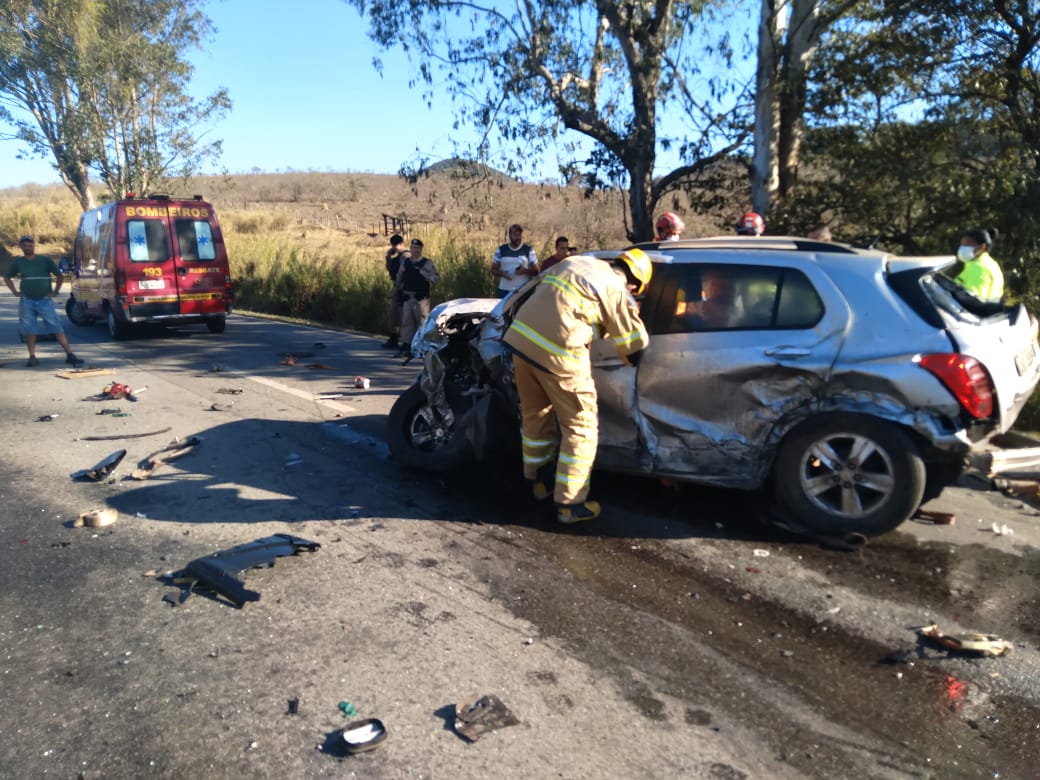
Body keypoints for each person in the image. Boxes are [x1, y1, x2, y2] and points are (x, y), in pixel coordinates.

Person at [503, 249, 652, 524]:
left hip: (521, 343)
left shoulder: (578, 262)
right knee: (581, 427)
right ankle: (570, 505)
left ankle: (537, 482)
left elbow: (533, 292)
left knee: (536, 416)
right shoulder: (616, 289)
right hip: (559, 355)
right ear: (634, 284)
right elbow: (633, 350)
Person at [4, 235, 83, 367]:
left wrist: (55, 291)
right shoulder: (18, 263)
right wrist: (15, 292)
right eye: (25, 246)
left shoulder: (44, 261)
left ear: (34, 246)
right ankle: (32, 357)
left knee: (56, 327)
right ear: (21, 247)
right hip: (27, 301)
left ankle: (70, 354)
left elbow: (59, 276)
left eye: (30, 245)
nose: (28, 248)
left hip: (45, 301)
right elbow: (7, 277)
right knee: (29, 330)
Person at [394, 238, 440, 358]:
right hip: (408, 297)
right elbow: (399, 278)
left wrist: (425, 274)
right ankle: (406, 346)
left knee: (422, 324)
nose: (416, 250)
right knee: (406, 323)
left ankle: (422, 348)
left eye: (418, 248)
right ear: (410, 249)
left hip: (421, 299)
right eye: (413, 248)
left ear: (421, 249)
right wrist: (398, 290)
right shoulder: (406, 262)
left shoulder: (426, 263)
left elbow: (436, 279)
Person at [950, 228, 1004, 304]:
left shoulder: (979, 269)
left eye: (967, 245)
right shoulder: (988, 263)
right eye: (962, 244)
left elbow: (971, 301)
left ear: (981, 247)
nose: (962, 248)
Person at [491, 224, 539, 297]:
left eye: (519, 234)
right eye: (515, 234)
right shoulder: (501, 250)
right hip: (504, 290)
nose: (518, 237)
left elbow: (536, 271)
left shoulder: (528, 250)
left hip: (523, 290)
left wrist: (525, 271)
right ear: (510, 235)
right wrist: (502, 273)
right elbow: (493, 270)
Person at [382, 234, 408, 350]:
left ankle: (407, 342)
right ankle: (393, 338)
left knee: (405, 317)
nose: (394, 247)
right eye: (393, 245)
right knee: (394, 315)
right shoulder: (397, 257)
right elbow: (390, 269)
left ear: (402, 244)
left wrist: (398, 288)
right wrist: (388, 256)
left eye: (396, 245)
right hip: (398, 288)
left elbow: (404, 274)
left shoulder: (406, 256)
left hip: (405, 289)